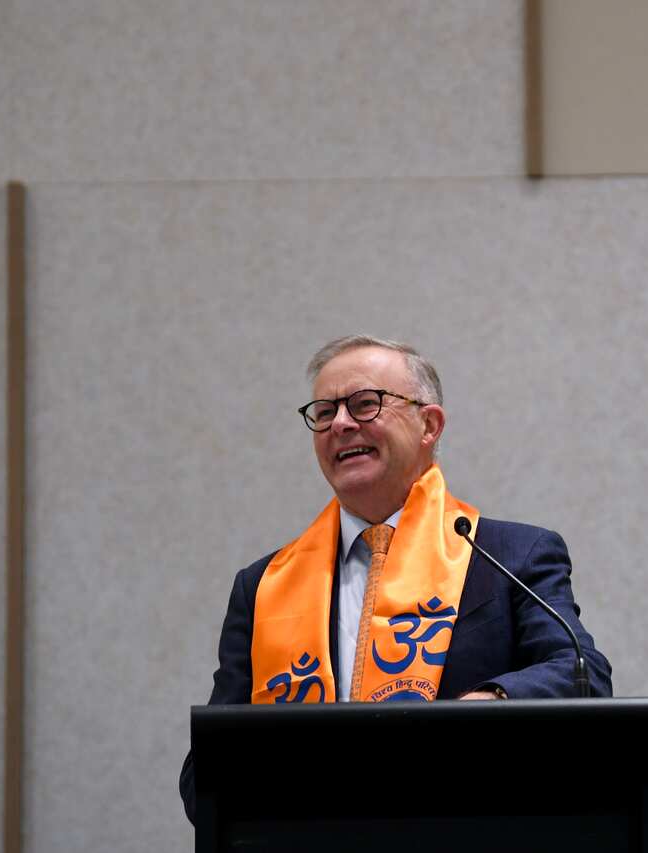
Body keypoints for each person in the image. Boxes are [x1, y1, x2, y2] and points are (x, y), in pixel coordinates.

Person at [179, 335, 612, 823]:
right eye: (324, 413)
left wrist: (489, 705)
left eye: (365, 404)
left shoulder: (509, 556)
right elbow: (207, 769)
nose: (340, 423)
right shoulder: (263, 586)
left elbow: (581, 672)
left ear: (429, 424)